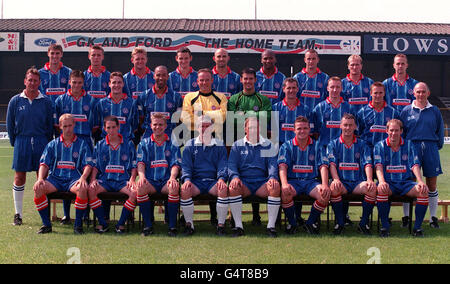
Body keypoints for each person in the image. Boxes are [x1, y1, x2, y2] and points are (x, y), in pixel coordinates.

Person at [6, 67, 54, 226]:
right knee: (19, 177)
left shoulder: (46, 101)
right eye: (30, 80)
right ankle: (18, 214)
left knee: (42, 179)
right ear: (25, 81)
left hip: (41, 142)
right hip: (22, 141)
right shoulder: (15, 100)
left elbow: (49, 126)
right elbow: (10, 125)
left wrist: (47, 144)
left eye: (35, 80)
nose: (32, 83)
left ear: (40, 82)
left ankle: (45, 215)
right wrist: (16, 142)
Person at [33, 114, 92, 234]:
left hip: (73, 179)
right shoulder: (52, 144)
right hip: (55, 179)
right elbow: (44, 164)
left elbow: (88, 165)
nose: (68, 129)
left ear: (74, 125)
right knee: (38, 188)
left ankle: (78, 226)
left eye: (70, 125)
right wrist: (40, 179)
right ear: (60, 127)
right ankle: (46, 225)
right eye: (65, 126)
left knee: (82, 188)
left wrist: (83, 178)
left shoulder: (82, 144)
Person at [227, 67, 272, 225]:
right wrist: (253, 116)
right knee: (238, 176)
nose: (248, 81)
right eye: (245, 78)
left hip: (259, 142)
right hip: (238, 142)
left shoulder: (263, 100)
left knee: (257, 172)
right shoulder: (234, 99)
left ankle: (256, 215)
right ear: (241, 80)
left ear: (255, 80)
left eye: (250, 79)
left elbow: (266, 118)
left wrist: (243, 115)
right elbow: (232, 119)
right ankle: (234, 217)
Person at [374, 119, 429, 237]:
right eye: (391, 130)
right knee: (381, 189)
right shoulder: (380, 146)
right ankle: (385, 227)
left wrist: (420, 181)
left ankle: (417, 228)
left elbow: (414, 165)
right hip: (389, 183)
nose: (394, 133)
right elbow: (378, 166)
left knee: (423, 191)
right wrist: (382, 181)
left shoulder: (409, 145)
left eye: (397, 130)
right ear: (386, 131)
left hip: (405, 183)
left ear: (401, 131)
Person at [400, 82, 444, 229]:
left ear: (428, 93)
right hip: (412, 148)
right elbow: (403, 133)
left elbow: (440, 131)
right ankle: (406, 217)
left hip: (431, 148)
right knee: (410, 183)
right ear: (414, 93)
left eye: (423, 91)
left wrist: (434, 146)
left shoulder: (435, 110)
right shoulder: (406, 110)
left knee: (431, 184)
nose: (420, 94)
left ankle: (433, 218)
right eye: (418, 92)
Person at [55, 70, 96, 224]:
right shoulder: (61, 100)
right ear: (69, 82)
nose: (77, 85)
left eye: (80, 82)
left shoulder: (91, 100)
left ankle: (85, 214)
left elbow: (94, 125)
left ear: (83, 83)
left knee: (84, 178)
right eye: (74, 82)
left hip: (84, 141)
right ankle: (66, 214)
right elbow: (57, 123)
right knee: (66, 174)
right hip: (66, 142)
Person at [228, 117, 280, 237]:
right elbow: (231, 165)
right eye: (250, 127)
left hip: (261, 183)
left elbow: (272, 164)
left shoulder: (268, 145)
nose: (253, 130)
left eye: (256, 127)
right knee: (233, 187)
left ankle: (271, 227)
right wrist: (235, 177)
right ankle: (238, 226)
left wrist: (272, 177)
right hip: (244, 182)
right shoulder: (237, 145)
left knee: (275, 187)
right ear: (245, 129)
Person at [278, 116, 330, 235]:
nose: (302, 131)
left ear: (309, 130)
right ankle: (292, 223)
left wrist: (325, 184)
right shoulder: (287, 146)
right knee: (285, 192)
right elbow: (282, 166)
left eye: (305, 128)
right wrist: (285, 184)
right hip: (293, 181)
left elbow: (323, 166)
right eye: (299, 128)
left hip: (311, 182)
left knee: (325, 194)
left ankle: (310, 222)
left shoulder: (317, 146)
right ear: (294, 130)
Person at [327, 113, 376, 235]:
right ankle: (340, 223)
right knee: (334, 187)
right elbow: (332, 164)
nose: (348, 128)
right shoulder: (333, 144)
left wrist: (369, 179)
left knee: (371, 188)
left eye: (350, 125)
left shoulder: (362, 144)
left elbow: (368, 164)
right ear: (340, 126)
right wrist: (336, 179)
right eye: (345, 125)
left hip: (357, 183)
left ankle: (363, 223)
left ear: (355, 127)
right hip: (342, 182)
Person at [88, 116, 138, 234]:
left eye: (114, 127)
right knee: (91, 190)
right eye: (108, 127)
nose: (111, 130)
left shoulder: (129, 144)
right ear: (104, 129)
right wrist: (93, 179)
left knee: (135, 192)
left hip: (122, 180)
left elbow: (134, 165)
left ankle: (120, 224)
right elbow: (95, 166)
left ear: (118, 127)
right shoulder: (99, 145)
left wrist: (132, 179)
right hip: (105, 180)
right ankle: (103, 223)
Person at [180, 115, 228, 235]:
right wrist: (186, 180)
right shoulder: (190, 145)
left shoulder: (219, 144)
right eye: (202, 126)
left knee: (223, 189)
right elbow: (186, 166)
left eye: (207, 126)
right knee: (185, 190)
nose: (205, 129)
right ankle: (189, 225)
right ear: (196, 128)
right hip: (196, 182)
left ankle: (220, 226)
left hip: (212, 181)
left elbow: (222, 165)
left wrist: (221, 179)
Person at [136, 113, 182, 236]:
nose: (158, 127)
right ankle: (148, 226)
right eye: (155, 124)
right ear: (150, 126)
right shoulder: (144, 143)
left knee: (174, 186)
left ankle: (172, 226)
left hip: (165, 181)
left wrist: (172, 178)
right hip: (150, 180)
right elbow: (140, 163)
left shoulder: (173, 143)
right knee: (140, 187)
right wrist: (142, 177)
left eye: (160, 125)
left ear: (166, 126)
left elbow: (175, 164)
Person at [180, 68, 228, 141]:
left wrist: (201, 113)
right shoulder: (189, 97)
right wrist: (214, 115)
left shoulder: (221, 97)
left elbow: (222, 117)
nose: (204, 83)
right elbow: (185, 118)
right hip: (194, 135)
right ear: (197, 81)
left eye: (207, 80)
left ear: (212, 80)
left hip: (215, 136)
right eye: (201, 80)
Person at [139, 65, 182, 139]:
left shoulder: (176, 97)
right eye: (158, 75)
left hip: (170, 137)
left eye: (163, 75)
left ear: (168, 76)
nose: (161, 78)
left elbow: (178, 120)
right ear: (154, 76)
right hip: (149, 136)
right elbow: (140, 118)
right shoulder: (144, 96)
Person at [93, 72, 139, 142]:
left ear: (123, 84)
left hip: (126, 142)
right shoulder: (101, 103)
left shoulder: (132, 103)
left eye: (119, 82)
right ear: (109, 84)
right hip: (106, 143)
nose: (116, 85)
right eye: (114, 82)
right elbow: (98, 125)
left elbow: (134, 126)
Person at [312, 77, 353, 149]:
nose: (335, 90)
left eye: (337, 87)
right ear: (327, 88)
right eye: (332, 87)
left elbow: (354, 130)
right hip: (324, 148)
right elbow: (314, 131)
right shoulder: (319, 108)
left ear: (341, 88)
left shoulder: (349, 108)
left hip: (343, 149)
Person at [357, 82, 400, 147]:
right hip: (367, 149)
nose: (378, 95)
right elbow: (358, 133)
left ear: (384, 93)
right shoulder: (362, 112)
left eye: (380, 93)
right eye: (375, 93)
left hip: (386, 149)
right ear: (371, 93)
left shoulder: (393, 113)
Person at [272, 77, 311, 145]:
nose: (291, 90)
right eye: (288, 88)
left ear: (297, 89)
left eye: (293, 88)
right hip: (279, 147)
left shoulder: (305, 109)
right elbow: (271, 131)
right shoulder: (275, 108)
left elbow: (310, 132)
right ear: (283, 89)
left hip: (299, 148)